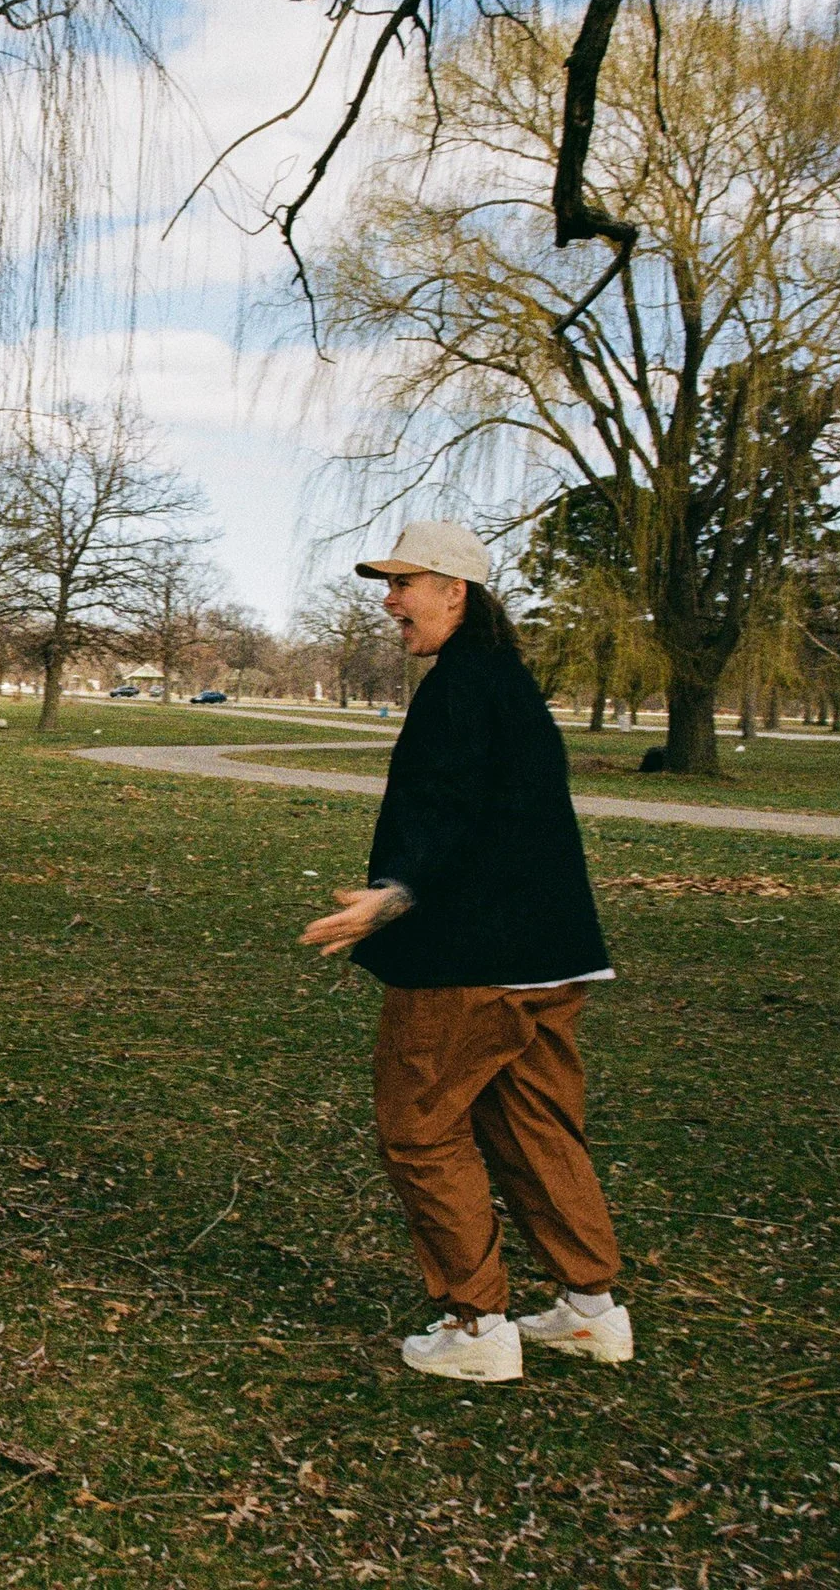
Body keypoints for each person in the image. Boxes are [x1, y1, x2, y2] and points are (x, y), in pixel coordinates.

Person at [298, 521, 633, 1382]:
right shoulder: (509, 684)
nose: (389, 599)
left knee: (420, 1128)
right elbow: (499, 815)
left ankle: (477, 1324)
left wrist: (398, 893)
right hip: (549, 955)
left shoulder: (457, 688)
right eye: (389, 582)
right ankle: (592, 1310)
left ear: (458, 590)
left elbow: (451, 810)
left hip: (469, 963)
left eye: (404, 582)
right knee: (534, 1124)